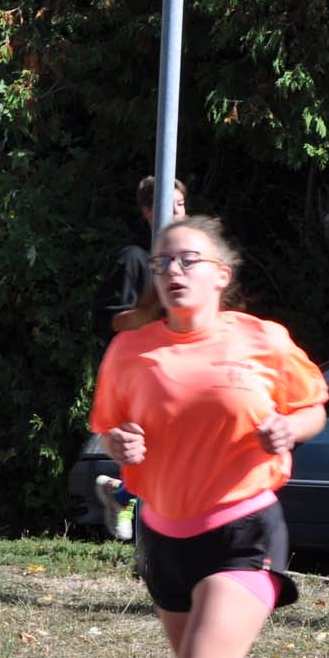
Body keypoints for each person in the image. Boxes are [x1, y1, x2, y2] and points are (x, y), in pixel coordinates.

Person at [90, 214, 329, 658]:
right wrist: (118, 440)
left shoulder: (260, 340)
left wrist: (293, 429)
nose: (173, 271)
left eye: (190, 260)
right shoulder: (131, 351)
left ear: (222, 274)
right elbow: (112, 430)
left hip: (243, 532)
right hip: (165, 539)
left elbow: (313, 403)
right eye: (164, 262)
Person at [91, 176, 187, 540]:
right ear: (150, 212)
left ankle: (121, 495)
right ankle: (134, 510)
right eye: (172, 206)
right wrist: (151, 313)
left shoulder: (188, 261)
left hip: (179, 369)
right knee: (159, 453)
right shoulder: (134, 259)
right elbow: (105, 321)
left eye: (182, 205)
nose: (180, 212)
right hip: (139, 374)